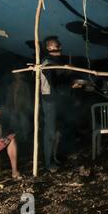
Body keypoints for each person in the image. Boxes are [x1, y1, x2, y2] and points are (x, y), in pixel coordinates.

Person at [40, 36, 71, 172]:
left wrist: (70, 82)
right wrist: (65, 70)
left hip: (57, 98)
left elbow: (59, 80)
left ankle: (54, 157)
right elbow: (53, 78)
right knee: (50, 132)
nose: (57, 47)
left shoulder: (56, 60)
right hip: (49, 99)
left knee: (58, 131)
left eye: (57, 45)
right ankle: (48, 163)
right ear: (47, 48)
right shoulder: (47, 61)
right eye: (53, 45)